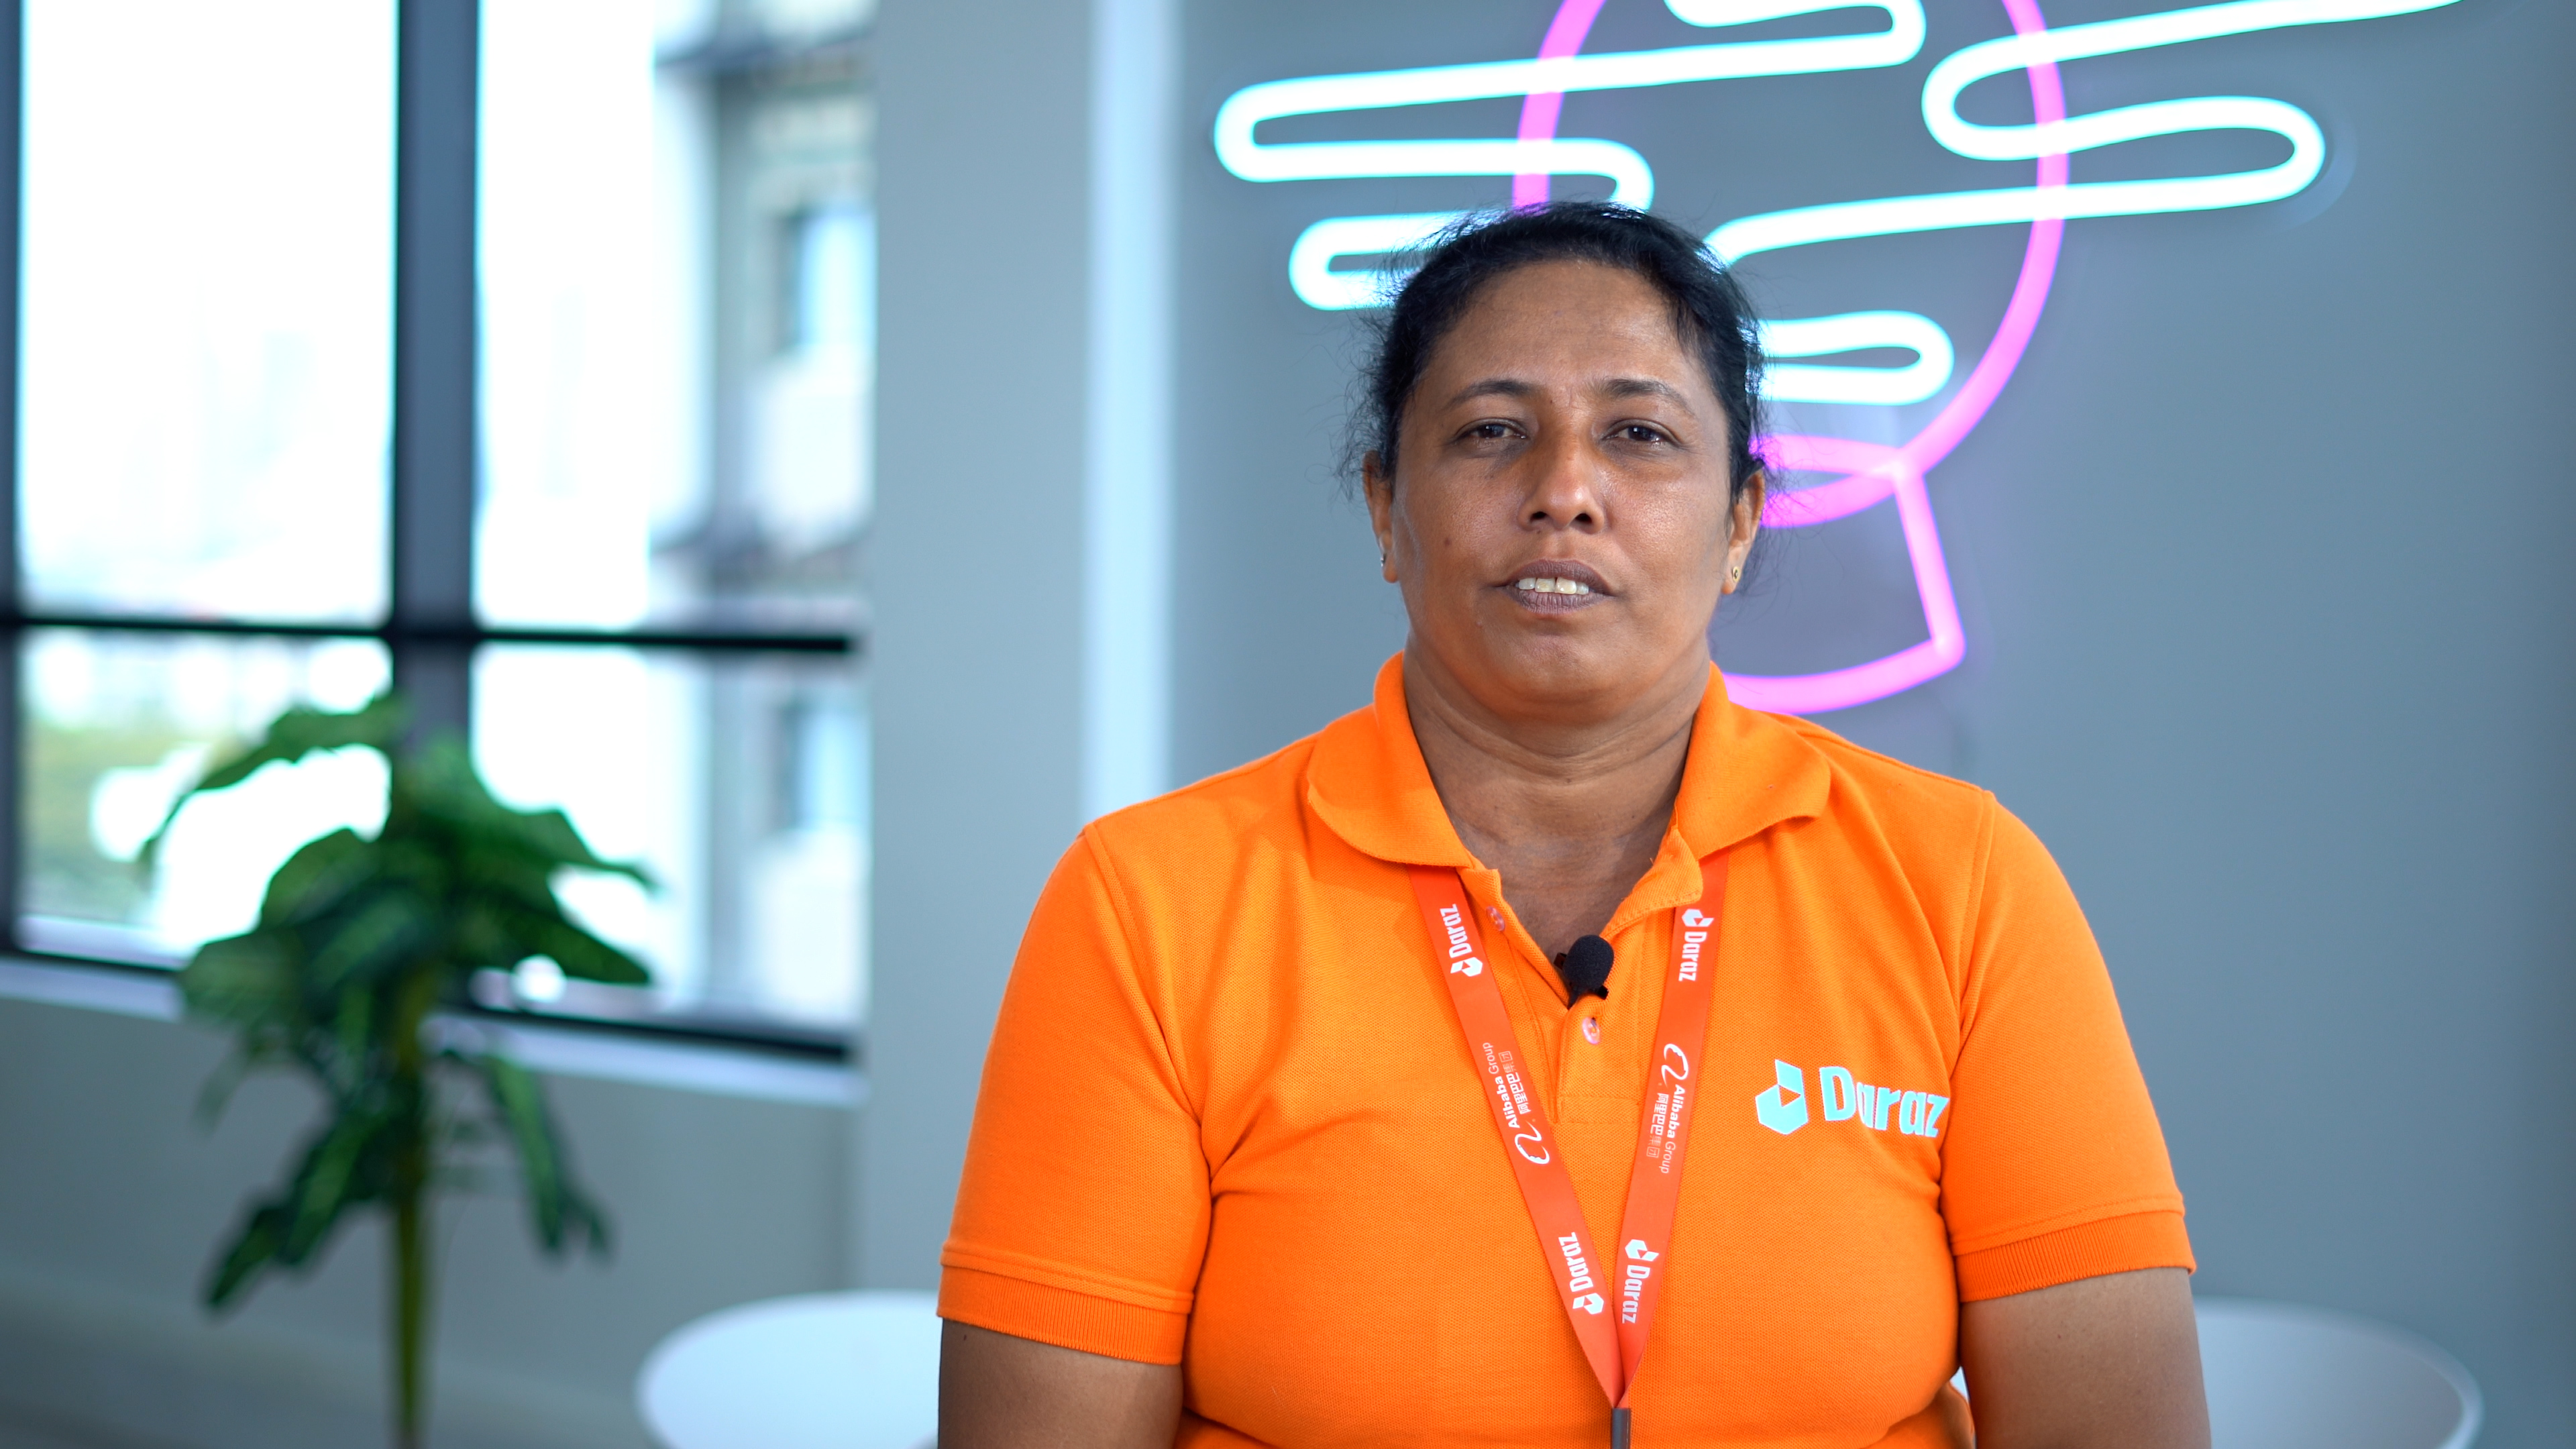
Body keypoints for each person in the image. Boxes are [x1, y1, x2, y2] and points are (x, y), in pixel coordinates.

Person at [935, 202, 2207, 1448]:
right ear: (1385, 510)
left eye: (1640, 434)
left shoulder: (1960, 882)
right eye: (1491, 431)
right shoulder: (1152, 903)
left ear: (1740, 523)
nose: (1564, 491)